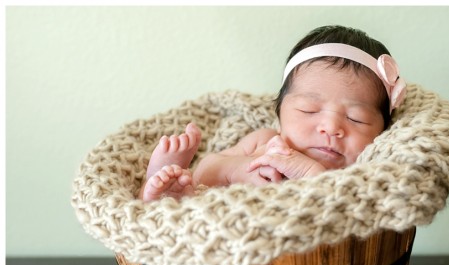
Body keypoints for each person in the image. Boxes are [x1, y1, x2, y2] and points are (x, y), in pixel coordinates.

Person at [139, 25, 407, 202]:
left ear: (383, 130)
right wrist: (236, 170)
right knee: (188, 190)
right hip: (211, 224)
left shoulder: (361, 173)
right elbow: (208, 169)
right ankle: (161, 181)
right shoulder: (263, 142)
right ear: (279, 113)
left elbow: (343, 205)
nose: (330, 127)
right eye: (309, 109)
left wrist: (308, 171)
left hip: (278, 259)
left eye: (355, 118)